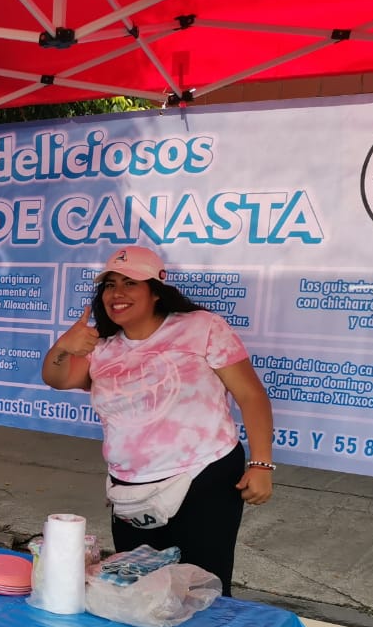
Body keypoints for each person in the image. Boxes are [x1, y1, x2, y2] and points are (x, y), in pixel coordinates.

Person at [41, 245, 274, 595]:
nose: (117, 293)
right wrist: (63, 347)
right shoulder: (103, 347)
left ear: (155, 290)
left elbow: (251, 395)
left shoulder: (201, 327)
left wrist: (261, 464)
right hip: (131, 490)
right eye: (109, 284)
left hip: (202, 476)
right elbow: (57, 378)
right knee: (138, 593)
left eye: (130, 283)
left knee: (203, 591)